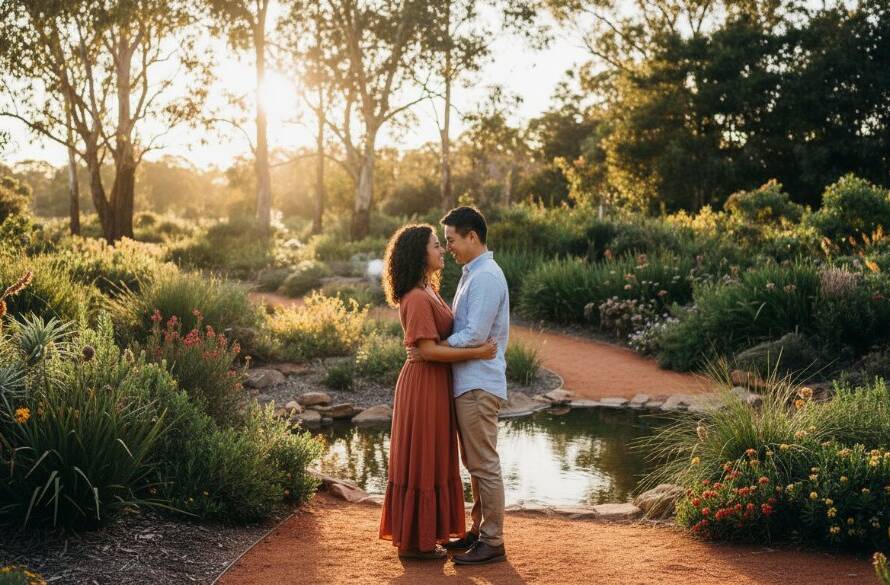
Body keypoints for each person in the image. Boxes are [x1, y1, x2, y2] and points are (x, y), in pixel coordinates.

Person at [378, 223, 498, 560]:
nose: (442, 249)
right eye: (435, 245)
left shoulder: (427, 289)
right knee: (423, 458)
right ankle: (415, 543)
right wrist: (477, 352)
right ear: (420, 254)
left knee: (434, 456)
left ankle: (428, 533)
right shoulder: (416, 297)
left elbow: (434, 345)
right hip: (423, 384)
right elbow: (428, 350)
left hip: (436, 382)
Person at [410, 206, 511, 565]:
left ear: (472, 236)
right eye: (444, 242)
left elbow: (474, 335)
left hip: (478, 385)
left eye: (451, 240)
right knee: (477, 463)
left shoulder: (485, 277)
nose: (448, 247)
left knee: (484, 464)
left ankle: (493, 541)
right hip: (470, 382)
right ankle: (479, 531)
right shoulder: (474, 273)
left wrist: (433, 349)